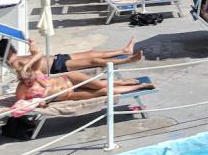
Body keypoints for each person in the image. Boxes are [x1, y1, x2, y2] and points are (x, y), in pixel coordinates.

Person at [9, 45, 153, 116]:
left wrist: (28, 66)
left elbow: (38, 54)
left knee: (99, 84)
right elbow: (21, 104)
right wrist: (37, 102)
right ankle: (141, 86)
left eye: (32, 80)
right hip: (69, 94)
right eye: (28, 83)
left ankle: (123, 78)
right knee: (103, 91)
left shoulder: (36, 72)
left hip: (70, 79)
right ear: (21, 81)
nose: (31, 83)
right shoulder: (21, 90)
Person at [0, 36, 142, 75]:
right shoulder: (14, 64)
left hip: (58, 58)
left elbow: (35, 57)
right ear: (8, 50)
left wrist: (32, 51)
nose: (14, 47)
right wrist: (35, 53)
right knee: (93, 61)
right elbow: (34, 69)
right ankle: (129, 60)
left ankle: (124, 51)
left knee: (90, 53)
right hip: (57, 67)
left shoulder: (17, 58)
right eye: (11, 47)